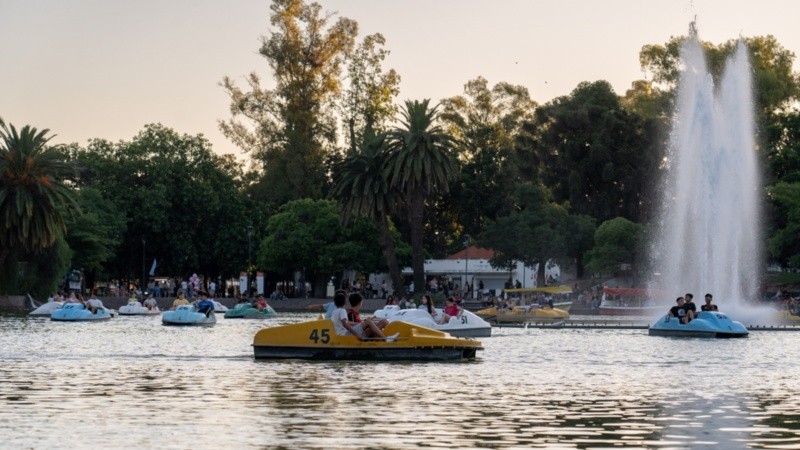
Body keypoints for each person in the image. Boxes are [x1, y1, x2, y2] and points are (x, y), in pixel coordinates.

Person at [331, 292, 396, 341]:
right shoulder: (343, 311)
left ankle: (388, 337)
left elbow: (347, 323)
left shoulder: (334, 311)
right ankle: (385, 339)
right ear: (345, 302)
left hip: (347, 333)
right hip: (348, 334)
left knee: (381, 321)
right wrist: (357, 334)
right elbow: (346, 324)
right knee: (372, 322)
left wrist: (364, 322)